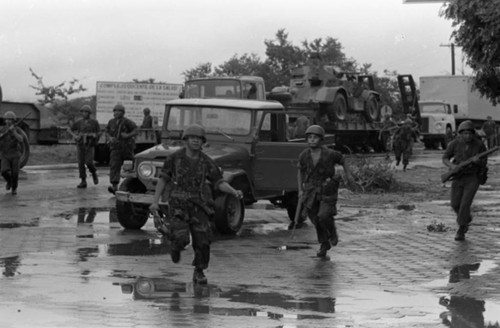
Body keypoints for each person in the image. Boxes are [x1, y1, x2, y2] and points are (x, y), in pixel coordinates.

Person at [149, 124, 243, 284]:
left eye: (198, 139)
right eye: (192, 138)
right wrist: (155, 202)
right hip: (178, 203)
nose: (195, 141)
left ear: (202, 142)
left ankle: (199, 271)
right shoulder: (174, 158)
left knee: (203, 241)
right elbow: (164, 179)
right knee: (181, 238)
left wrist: (233, 191)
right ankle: (176, 246)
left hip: (200, 205)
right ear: (186, 140)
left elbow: (218, 182)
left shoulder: (206, 162)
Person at [297, 125, 353, 258]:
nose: (311, 140)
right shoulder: (304, 155)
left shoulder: (329, 153)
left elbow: (343, 160)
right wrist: (300, 189)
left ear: (320, 139)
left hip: (327, 189)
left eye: (315, 137)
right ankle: (324, 243)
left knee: (324, 216)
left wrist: (349, 175)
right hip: (311, 191)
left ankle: (332, 231)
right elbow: (300, 171)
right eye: (309, 137)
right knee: (316, 219)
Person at [442, 120, 487, 241]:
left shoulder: (479, 145)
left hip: (472, 177)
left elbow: (485, 164)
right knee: (455, 204)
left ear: (473, 134)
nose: (467, 136)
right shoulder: (454, 143)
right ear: (460, 134)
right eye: (465, 133)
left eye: (470, 133)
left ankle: (461, 228)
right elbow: (445, 158)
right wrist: (452, 167)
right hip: (458, 176)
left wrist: (479, 162)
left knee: (465, 204)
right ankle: (466, 219)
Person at [105, 103, 138, 194]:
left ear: (123, 113)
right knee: (114, 165)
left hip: (126, 147)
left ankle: (135, 183)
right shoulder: (111, 122)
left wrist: (128, 135)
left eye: (119, 111)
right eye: (115, 111)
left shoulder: (127, 122)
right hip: (115, 148)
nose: (116, 113)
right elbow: (106, 131)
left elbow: (136, 130)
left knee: (133, 165)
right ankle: (114, 186)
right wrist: (110, 138)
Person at [69, 105, 100, 188]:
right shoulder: (79, 122)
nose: (84, 114)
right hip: (80, 144)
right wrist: (75, 136)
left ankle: (93, 172)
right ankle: (83, 180)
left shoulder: (94, 122)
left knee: (89, 162)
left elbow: (99, 132)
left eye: (86, 112)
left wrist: (94, 136)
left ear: (89, 113)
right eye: (82, 112)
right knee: (80, 163)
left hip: (89, 144)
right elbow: (69, 129)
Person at [0, 111, 24, 195]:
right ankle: (9, 181)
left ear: (13, 120)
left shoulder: (17, 129)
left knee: (15, 173)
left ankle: (14, 188)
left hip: (15, 154)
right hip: (5, 154)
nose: (8, 121)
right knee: (4, 171)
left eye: (10, 119)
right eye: (6, 119)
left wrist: (14, 132)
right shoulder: (2, 129)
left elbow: (21, 139)